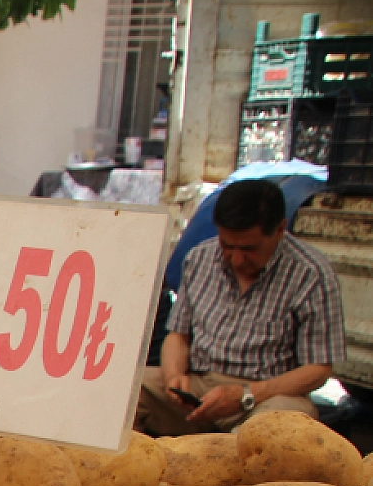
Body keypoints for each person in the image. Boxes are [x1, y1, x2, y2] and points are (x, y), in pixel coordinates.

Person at [137, 178, 344, 435]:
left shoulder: (311, 273)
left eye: (249, 249)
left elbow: (319, 369)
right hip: (199, 386)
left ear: (280, 229)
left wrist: (248, 394)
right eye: (227, 246)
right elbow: (178, 336)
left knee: (282, 421)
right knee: (127, 389)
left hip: (268, 394)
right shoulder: (199, 258)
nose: (236, 259)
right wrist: (173, 376)